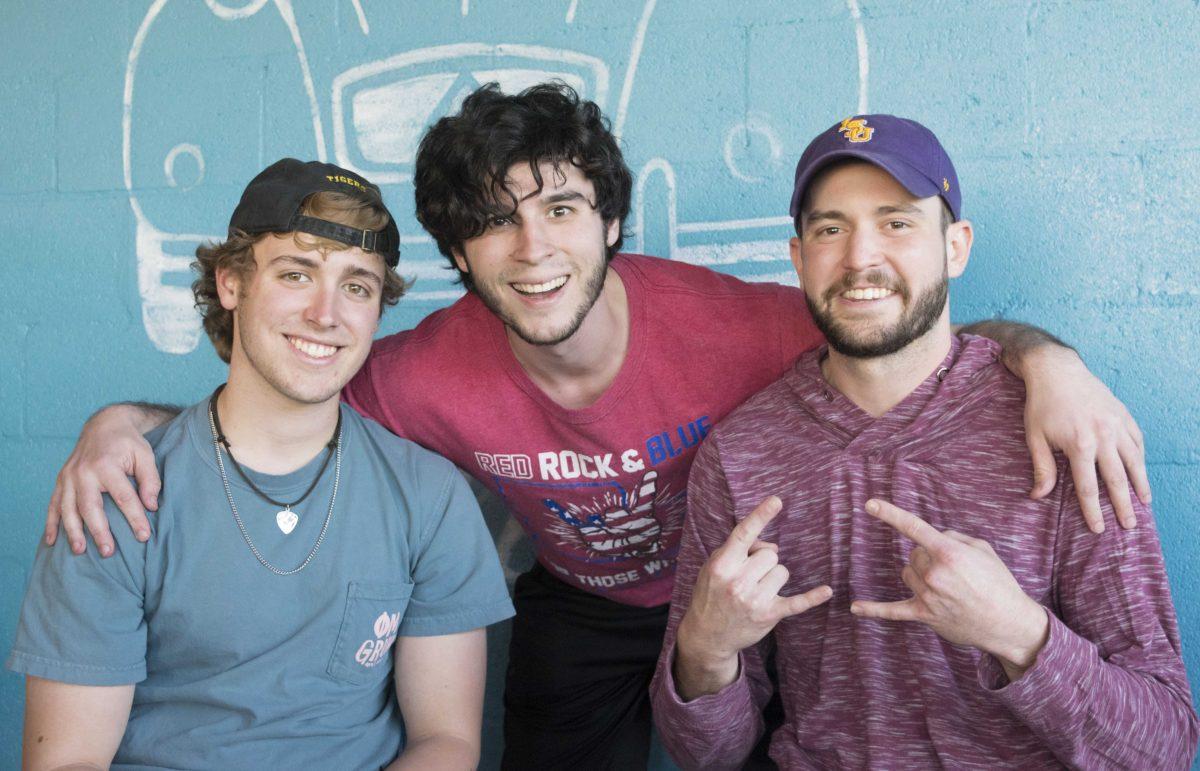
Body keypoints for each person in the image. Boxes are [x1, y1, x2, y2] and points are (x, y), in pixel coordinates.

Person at [45, 85, 1150, 769]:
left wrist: (1043, 358)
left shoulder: (745, 325)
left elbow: (888, 323)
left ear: (611, 219)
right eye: (491, 224)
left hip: (766, 601)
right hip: (586, 604)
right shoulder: (422, 371)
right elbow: (288, 386)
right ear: (457, 258)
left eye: (563, 208)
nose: (532, 250)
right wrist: (120, 424)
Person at [650, 115, 1198, 769]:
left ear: (956, 245)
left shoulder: (1063, 429)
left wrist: (1018, 633)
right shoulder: (740, 454)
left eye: (897, 222)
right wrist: (706, 648)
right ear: (799, 259)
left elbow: (1163, 746)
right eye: (830, 228)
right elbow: (706, 755)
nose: (860, 257)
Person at [9, 159, 514, 768]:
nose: (325, 314)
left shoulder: (428, 497)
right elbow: (68, 761)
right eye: (297, 274)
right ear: (230, 283)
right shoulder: (115, 493)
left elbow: (446, 742)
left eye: (357, 285)